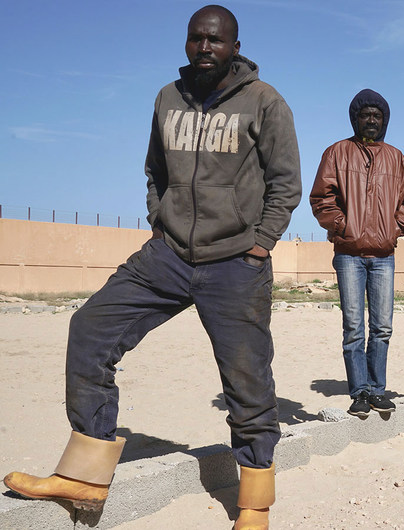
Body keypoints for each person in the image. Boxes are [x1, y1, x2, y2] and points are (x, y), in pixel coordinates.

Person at [3, 6, 301, 529]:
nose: (204, 47)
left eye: (215, 40)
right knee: (91, 329)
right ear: (186, 43)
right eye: (195, 39)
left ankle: (254, 505)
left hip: (235, 262)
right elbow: (155, 171)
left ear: (234, 46)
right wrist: (160, 222)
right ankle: (85, 476)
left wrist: (260, 244)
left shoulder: (265, 101)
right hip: (168, 255)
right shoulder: (168, 98)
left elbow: (285, 183)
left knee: (248, 381)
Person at [310, 89, 404, 417]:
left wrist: (393, 228)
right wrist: (344, 227)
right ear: (355, 118)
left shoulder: (396, 157)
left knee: (383, 326)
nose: (371, 120)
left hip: (384, 255)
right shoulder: (337, 153)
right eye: (365, 115)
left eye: (377, 115)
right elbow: (321, 198)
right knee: (354, 327)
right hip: (349, 254)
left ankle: (377, 389)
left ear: (384, 121)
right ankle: (359, 391)